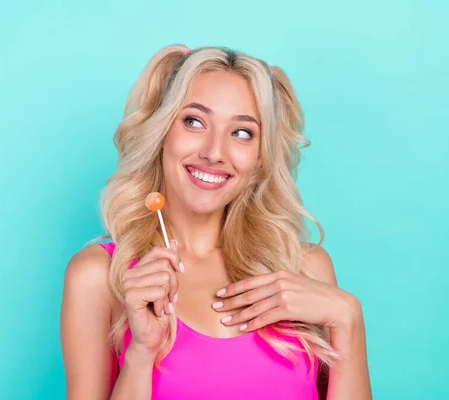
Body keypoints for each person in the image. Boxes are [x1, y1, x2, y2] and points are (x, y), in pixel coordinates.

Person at [60, 44, 372, 399]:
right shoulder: (100, 275)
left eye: (241, 132)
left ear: (259, 157)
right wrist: (141, 355)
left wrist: (349, 319)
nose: (214, 152)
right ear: (162, 133)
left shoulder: (305, 268)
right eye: (194, 121)